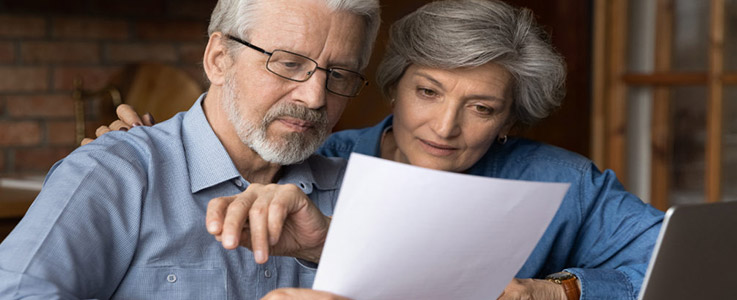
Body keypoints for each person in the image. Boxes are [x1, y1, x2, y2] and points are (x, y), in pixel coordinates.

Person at [92, 1, 665, 299]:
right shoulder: (311, 157)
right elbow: (211, 200)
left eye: (482, 108)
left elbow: (684, 267)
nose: (446, 126)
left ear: (510, 118)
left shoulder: (563, 182)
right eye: (428, 92)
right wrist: (152, 156)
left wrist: (557, 292)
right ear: (394, 84)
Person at [0, 0, 380, 298]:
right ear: (218, 59)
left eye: (339, 75)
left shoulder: (360, 193)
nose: (315, 97)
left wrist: (330, 246)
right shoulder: (115, 171)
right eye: (289, 64)